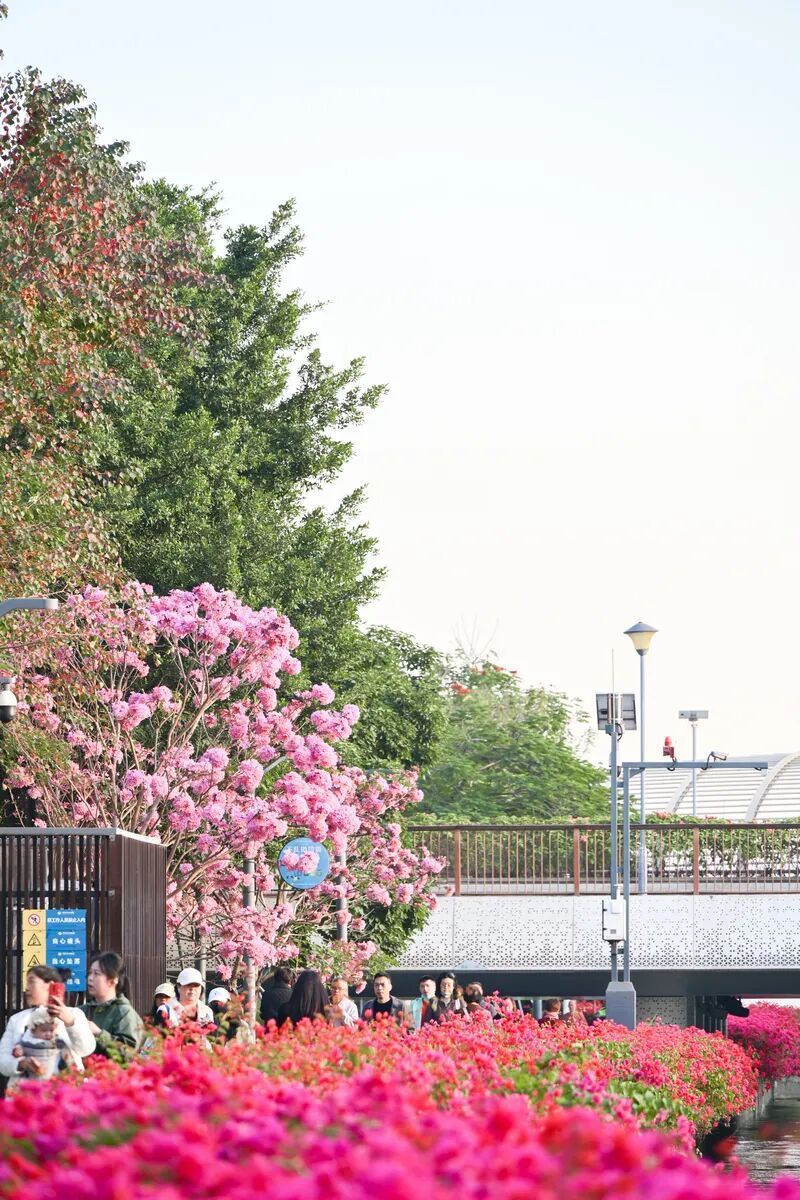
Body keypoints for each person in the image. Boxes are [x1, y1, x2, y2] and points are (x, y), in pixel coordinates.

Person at [0, 965, 95, 1088]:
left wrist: (70, 1022)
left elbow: (86, 1049)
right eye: (26, 982)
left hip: (67, 1092)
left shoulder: (73, 1014)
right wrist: (21, 1064)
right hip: (26, 1094)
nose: (26, 988)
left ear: (50, 985)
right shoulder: (17, 1020)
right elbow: (3, 1060)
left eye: (31, 982)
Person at [80, 952, 144, 1059]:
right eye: (90, 973)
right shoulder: (82, 1011)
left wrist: (99, 1034)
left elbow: (128, 1053)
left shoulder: (124, 1012)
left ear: (113, 980)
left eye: (97, 974)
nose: (90, 978)